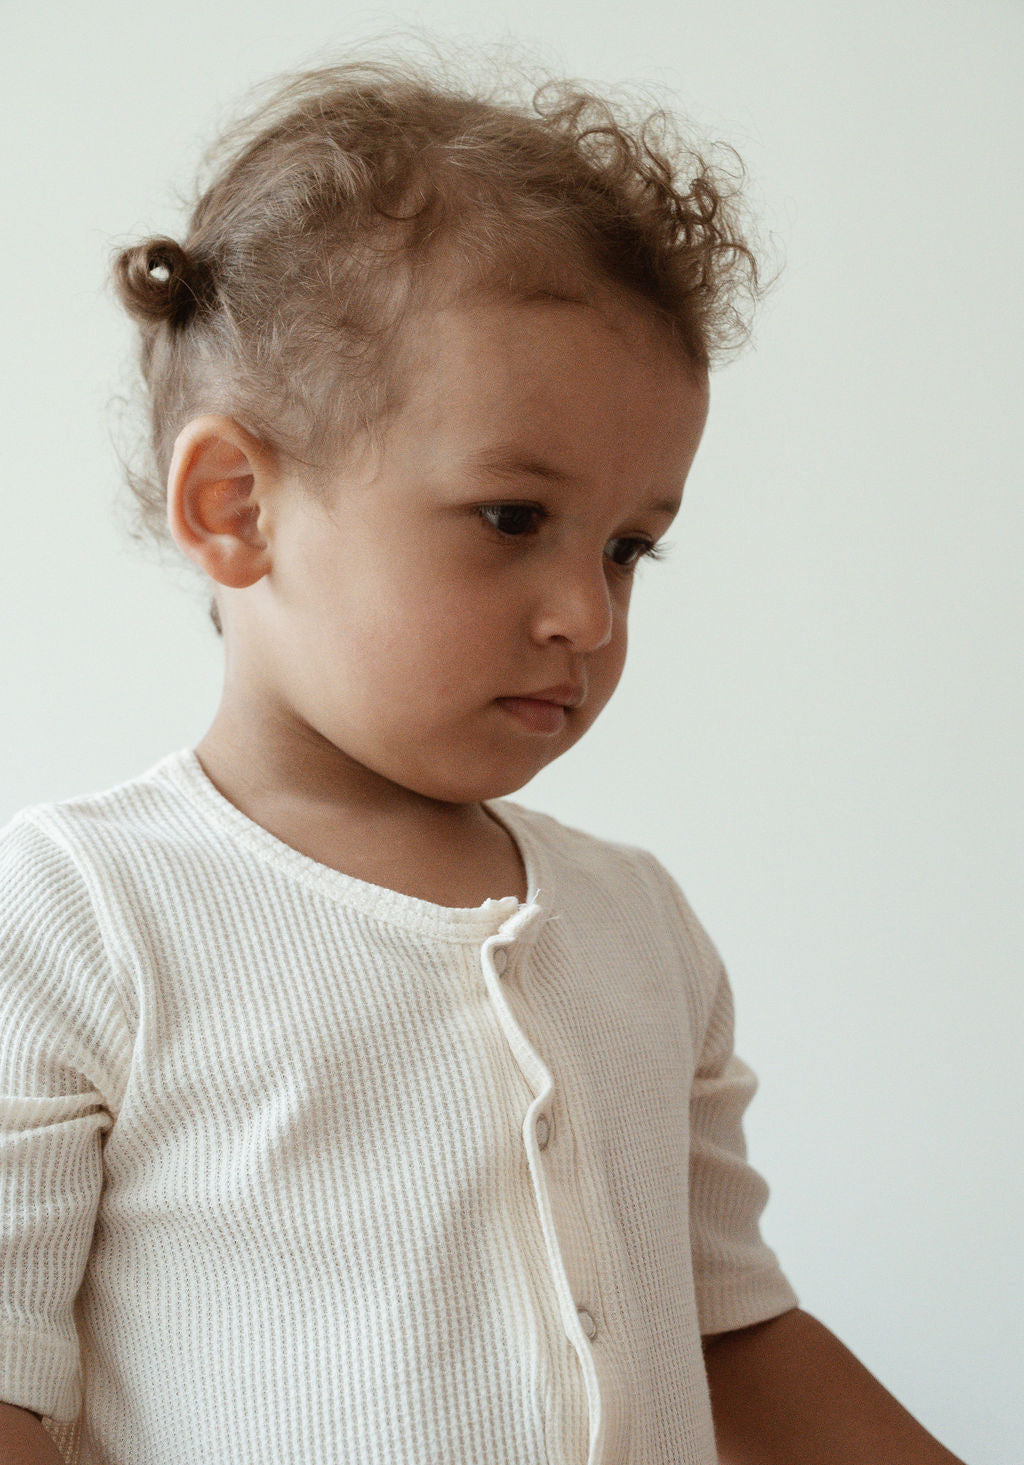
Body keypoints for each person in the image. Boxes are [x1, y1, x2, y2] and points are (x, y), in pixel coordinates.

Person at [0, 45, 967, 1465]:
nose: (588, 611)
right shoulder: (79, 918)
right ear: (236, 506)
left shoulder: (640, 927)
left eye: (631, 545)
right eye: (515, 517)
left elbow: (739, 1339)